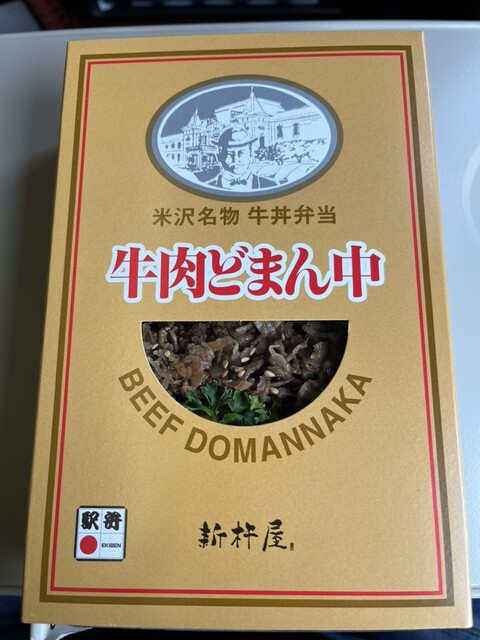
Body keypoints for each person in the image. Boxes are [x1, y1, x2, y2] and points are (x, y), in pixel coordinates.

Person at [210, 127, 276, 191]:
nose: (236, 159)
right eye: (229, 153)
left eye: (241, 153)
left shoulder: (270, 186)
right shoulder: (210, 187)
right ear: (219, 157)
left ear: (251, 154)